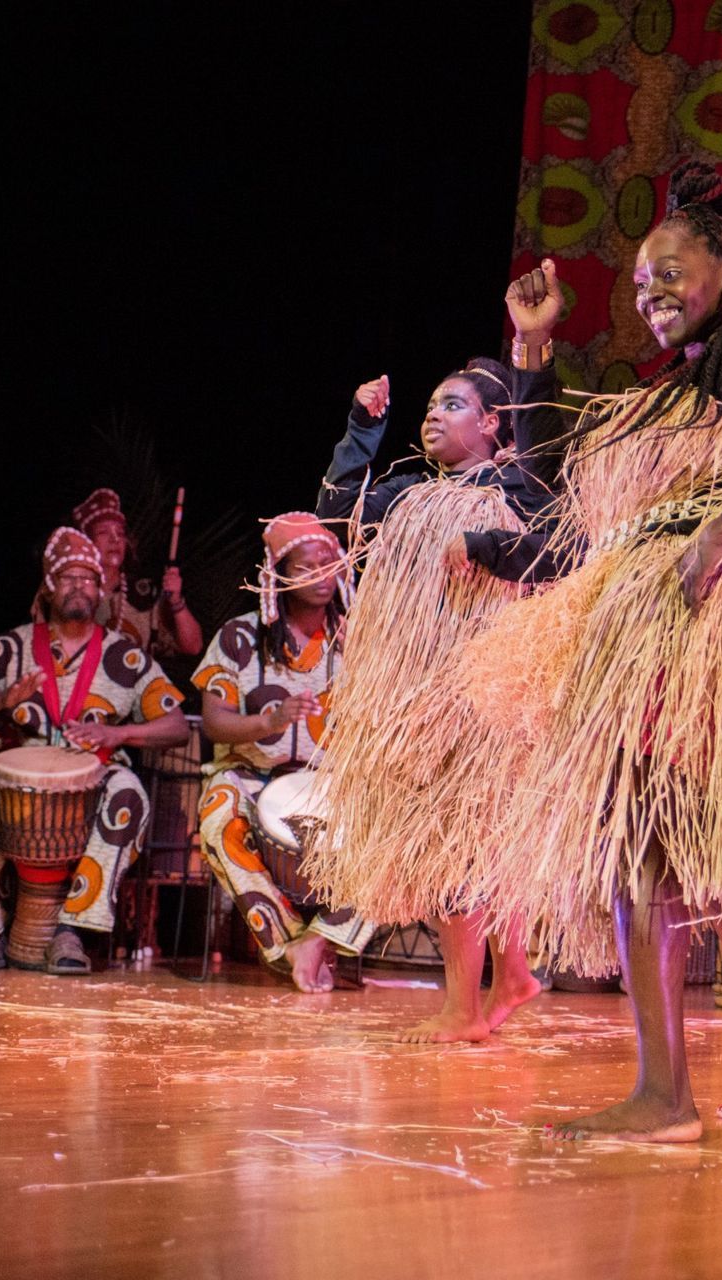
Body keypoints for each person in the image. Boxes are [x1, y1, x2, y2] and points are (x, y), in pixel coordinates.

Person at [447, 161, 722, 1142]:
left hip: (712, 646)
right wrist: (532, 347)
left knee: (644, 851)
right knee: (689, 851)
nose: (650, 296)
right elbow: (560, 483)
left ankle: (664, 1096)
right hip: (671, 643)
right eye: (640, 284)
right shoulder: (682, 388)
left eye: (668, 273)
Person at [308, 263, 565, 1041]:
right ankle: (512, 974)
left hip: (481, 693)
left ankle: (463, 1010)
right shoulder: (409, 494)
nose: (432, 416)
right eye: (428, 406)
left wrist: (485, 544)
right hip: (417, 696)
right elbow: (334, 518)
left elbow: (554, 550)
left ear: (493, 423)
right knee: (468, 840)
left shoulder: (518, 491)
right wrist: (362, 431)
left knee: (462, 841)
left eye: (451, 405)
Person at [0, 528, 190, 972]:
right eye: (67, 578)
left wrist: (120, 736)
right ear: (48, 588)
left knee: (128, 792)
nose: (79, 586)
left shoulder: (126, 657)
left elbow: (176, 727)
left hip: (95, 769)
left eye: (89, 579)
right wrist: (2, 700)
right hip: (11, 770)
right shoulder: (7, 649)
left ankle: (71, 930)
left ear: (102, 591)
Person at [191, 512, 373, 993]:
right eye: (304, 566)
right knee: (216, 816)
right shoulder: (238, 637)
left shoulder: (363, 638)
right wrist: (265, 723)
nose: (320, 575)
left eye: (329, 564)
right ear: (277, 577)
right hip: (252, 776)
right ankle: (288, 943)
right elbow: (213, 721)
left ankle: (325, 939)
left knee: (400, 829)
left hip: (336, 782)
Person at [72, 489, 204, 658]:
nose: (115, 539)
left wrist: (176, 601)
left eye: (120, 533)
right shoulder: (69, 593)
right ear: (86, 542)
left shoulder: (144, 594)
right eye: (103, 532)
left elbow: (194, 646)